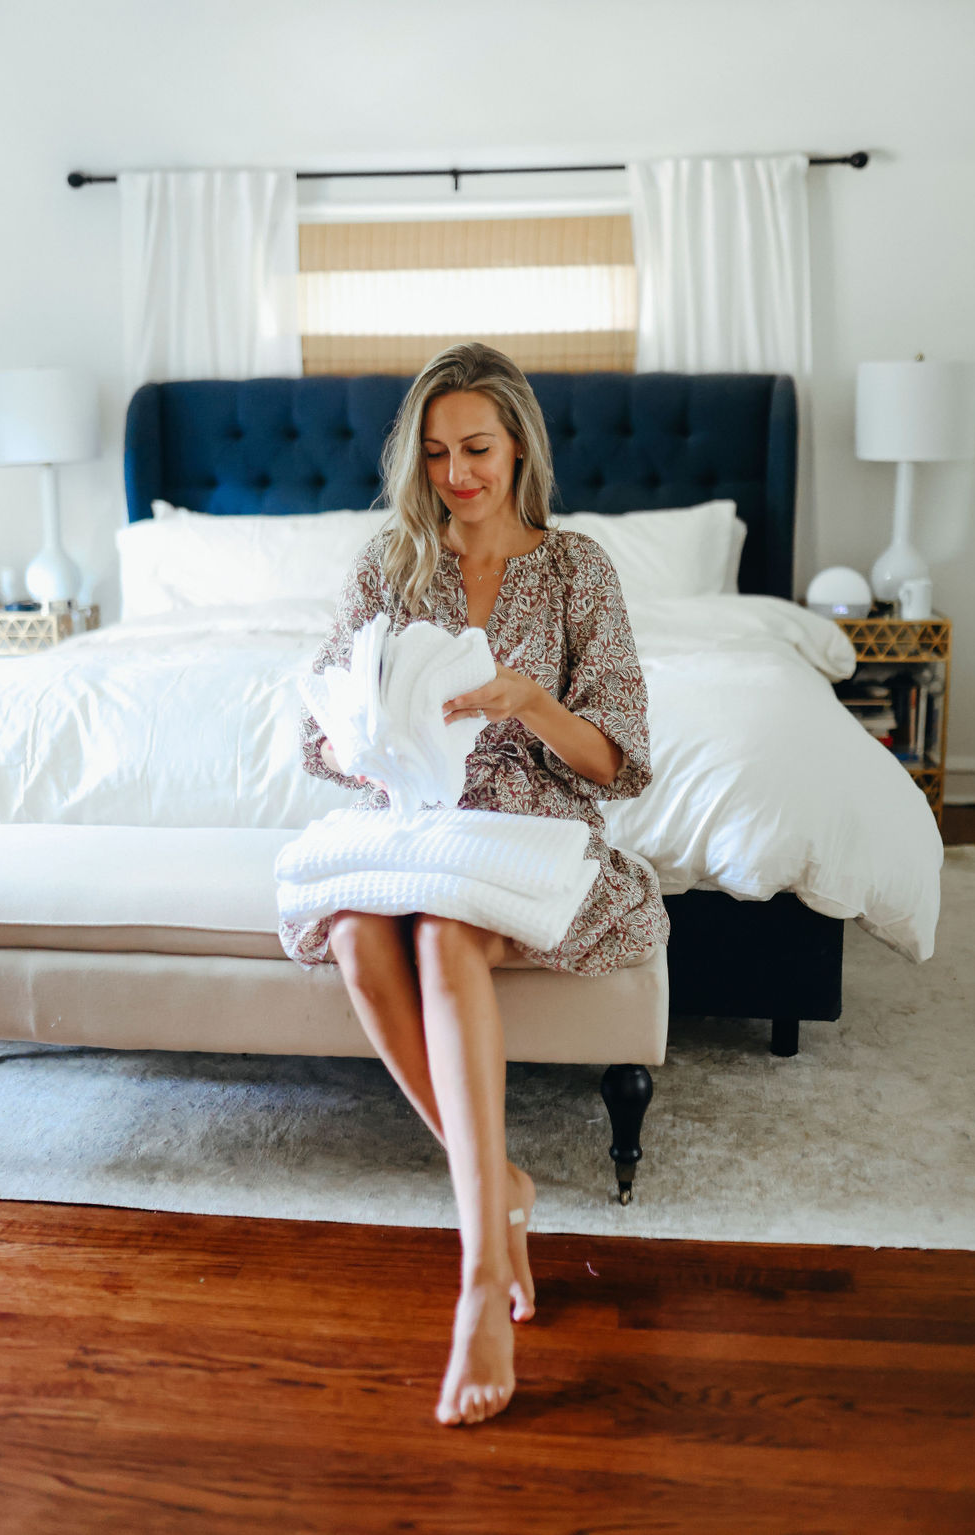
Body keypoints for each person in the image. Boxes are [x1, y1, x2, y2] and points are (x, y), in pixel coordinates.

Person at [281, 341, 668, 1427]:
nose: (459, 473)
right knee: (357, 929)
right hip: (412, 817)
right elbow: (319, 730)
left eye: (479, 449)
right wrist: (369, 735)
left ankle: (474, 1277)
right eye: (440, 452)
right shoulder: (387, 563)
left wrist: (523, 701)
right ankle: (494, 1180)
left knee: (445, 931)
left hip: (533, 829)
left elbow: (622, 760)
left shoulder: (578, 567)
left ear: (520, 447)